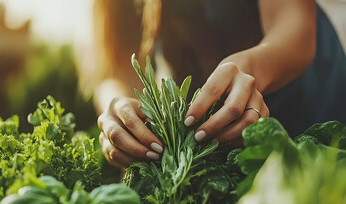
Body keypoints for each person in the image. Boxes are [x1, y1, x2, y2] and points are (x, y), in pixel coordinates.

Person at [93, 0, 346, 168]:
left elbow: (294, 25)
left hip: (304, 92)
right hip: (213, 136)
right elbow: (115, 68)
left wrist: (248, 69)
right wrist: (119, 113)